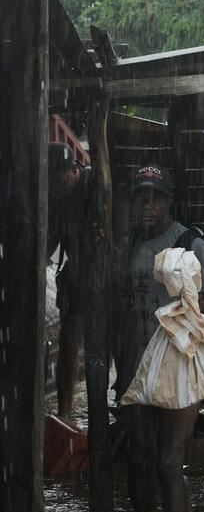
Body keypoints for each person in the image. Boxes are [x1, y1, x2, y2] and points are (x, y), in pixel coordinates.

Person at [115, 165, 204, 512]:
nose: (148, 205)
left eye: (156, 198)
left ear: (169, 203)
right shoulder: (128, 244)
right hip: (136, 367)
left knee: (167, 464)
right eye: (141, 198)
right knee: (138, 457)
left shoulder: (191, 247)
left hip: (178, 368)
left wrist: (179, 320)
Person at [46, 142, 92, 417]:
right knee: (69, 340)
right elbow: (48, 242)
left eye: (61, 183)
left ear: (74, 170)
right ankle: (65, 411)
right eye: (53, 185)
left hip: (106, 265)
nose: (57, 189)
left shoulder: (96, 184)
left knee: (112, 340)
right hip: (76, 268)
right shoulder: (53, 197)